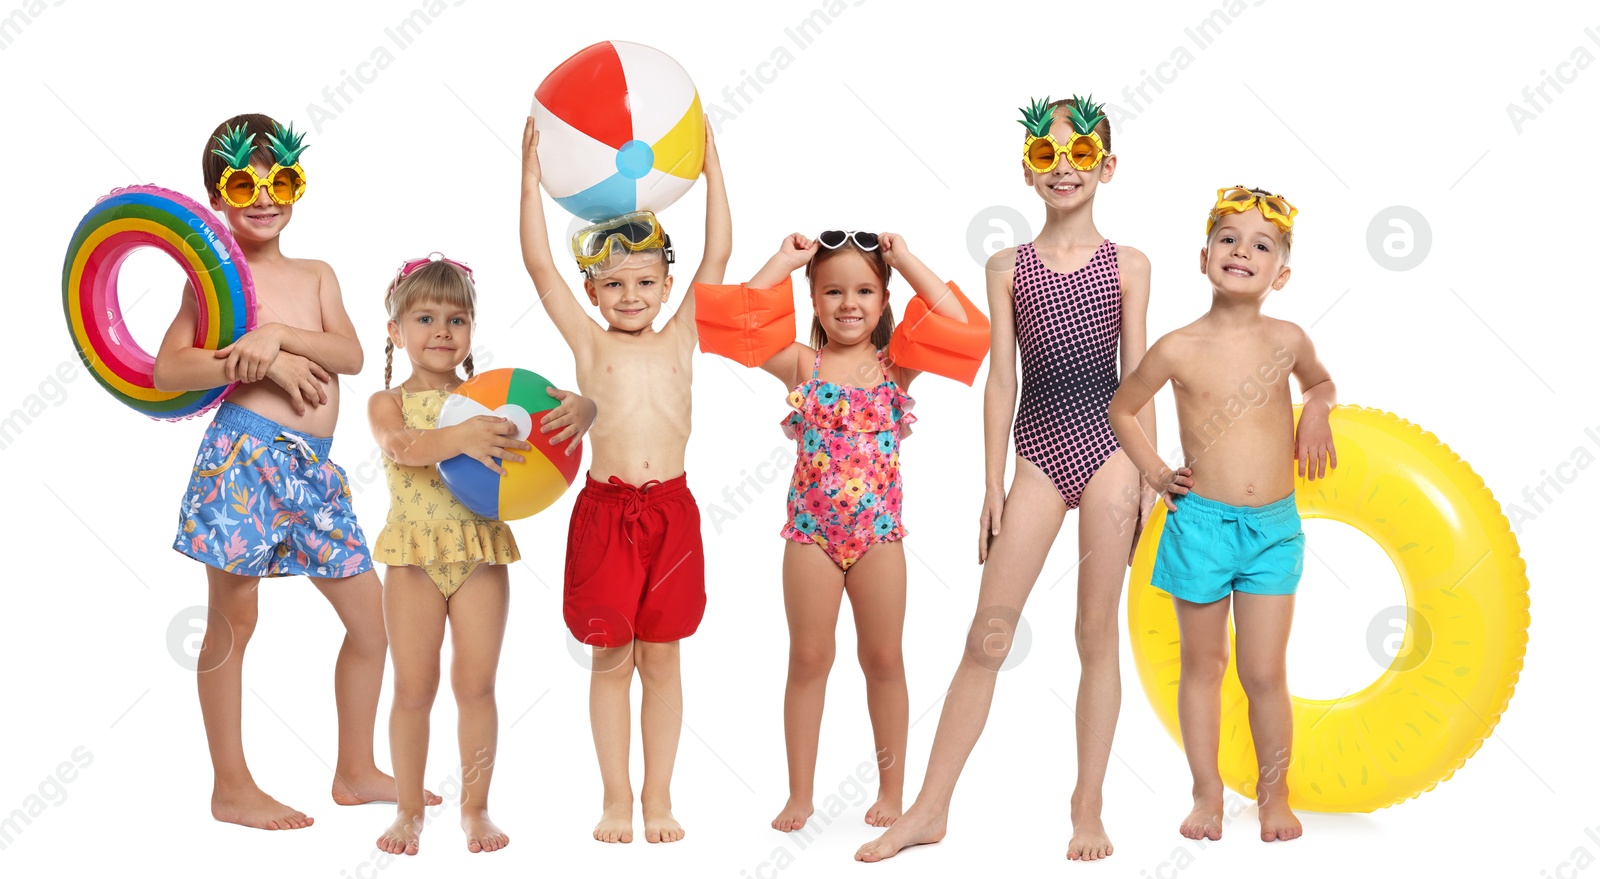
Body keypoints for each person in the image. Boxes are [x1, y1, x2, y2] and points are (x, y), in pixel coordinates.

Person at [858, 95, 1155, 862]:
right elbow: (1001, 380)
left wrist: (1150, 475)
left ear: (1107, 167)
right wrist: (992, 483)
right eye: (1048, 156)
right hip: (1040, 449)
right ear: (1027, 167)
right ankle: (928, 806)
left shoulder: (1129, 265)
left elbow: (1138, 377)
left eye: (1081, 155)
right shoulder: (1006, 265)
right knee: (988, 633)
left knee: (1095, 631)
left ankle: (1086, 805)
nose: (1063, 169)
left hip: (1113, 447)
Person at [157, 113, 421, 830]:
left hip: (315, 472)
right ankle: (232, 785)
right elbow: (167, 368)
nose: (264, 197)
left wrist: (279, 334)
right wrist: (257, 356)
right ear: (217, 195)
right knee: (234, 620)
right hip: (243, 457)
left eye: (281, 181)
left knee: (373, 622)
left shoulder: (317, 275)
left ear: (297, 185)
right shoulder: (214, 283)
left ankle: (355, 768)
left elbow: (352, 355)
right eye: (244, 183)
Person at [716, 230, 974, 832]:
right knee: (808, 657)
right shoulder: (802, 364)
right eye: (832, 291)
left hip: (879, 534)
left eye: (864, 290)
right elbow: (740, 322)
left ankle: (892, 789)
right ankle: (800, 794)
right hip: (811, 535)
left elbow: (958, 321)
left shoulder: (896, 366)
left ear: (885, 301)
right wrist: (784, 259)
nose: (848, 303)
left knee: (883, 657)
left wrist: (906, 258)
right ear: (812, 298)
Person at [518, 115, 730, 844]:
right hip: (606, 513)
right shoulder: (588, 340)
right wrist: (528, 182)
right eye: (613, 284)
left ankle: (659, 795)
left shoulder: (681, 334)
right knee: (612, 656)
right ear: (594, 290)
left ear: (668, 283)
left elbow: (719, 251)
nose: (631, 295)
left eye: (644, 281)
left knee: (664, 654)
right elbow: (540, 267)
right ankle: (615, 797)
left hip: (671, 510)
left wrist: (712, 167)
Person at [1107, 186, 1335, 843]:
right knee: (1203, 666)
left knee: (1264, 671)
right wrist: (1154, 472)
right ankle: (1206, 794)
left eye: (1261, 245)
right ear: (1204, 256)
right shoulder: (1178, 347)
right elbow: (1124, 407)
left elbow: (1321, 381)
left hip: (1272, 531)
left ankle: (1273, 794)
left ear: (1280, 274)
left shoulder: (1288, 339)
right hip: (1199, 524)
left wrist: (1316, 406)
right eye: (1229, 239)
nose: (1243, 251)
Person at [368, 254, 596, 855]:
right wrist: (463, 437)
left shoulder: (490, 399)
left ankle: (475, 808)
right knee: (413, 689)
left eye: (457, 318)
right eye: (424, 317)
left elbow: (549, 420)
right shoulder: (386, 402)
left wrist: (584, 408)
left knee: (476, 687)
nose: (442, 331)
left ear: (472, 329)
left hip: (479, 552)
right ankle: (409, 811)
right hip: (413, 557)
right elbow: (401, 447)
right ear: (395, 331)